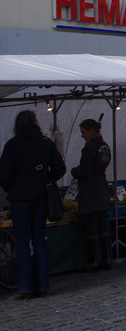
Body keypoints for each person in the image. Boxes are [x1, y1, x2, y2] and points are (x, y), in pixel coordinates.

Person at [0, 110, 66, 299]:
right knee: (39, 240)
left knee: (21, 242)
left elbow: (3, 174)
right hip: (40, 196)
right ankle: (42, 285)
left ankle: (25, 287)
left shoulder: (12, 145)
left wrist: (13, 187)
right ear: (35, 122)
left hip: (20, 197)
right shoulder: (45, 143)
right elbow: (60, 168)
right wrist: (45, 179)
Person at [71, 119, 112, 272]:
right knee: (102, 224)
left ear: (91, 131)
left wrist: (75, 171)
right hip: (101, 186)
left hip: (90, 190)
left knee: (91, 226)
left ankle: (91, 261)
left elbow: (86, 170)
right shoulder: (104, 146)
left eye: (83, 132)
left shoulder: (90, 148)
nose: (82, 136)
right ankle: (107, 258)